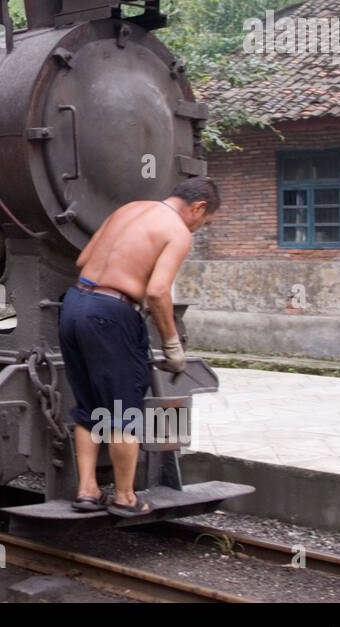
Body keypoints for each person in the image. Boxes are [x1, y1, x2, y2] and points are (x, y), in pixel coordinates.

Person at [58, 176, 220, 517]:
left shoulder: (128, 209)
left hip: (74, 305)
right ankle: (125, 497)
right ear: (198, 208)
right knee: (122, 411)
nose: (197, 230)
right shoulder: (177, 231)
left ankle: (87, 491)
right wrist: (173, 347)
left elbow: (83, 258)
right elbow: (159, 292)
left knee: (89, 406)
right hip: (112, 314)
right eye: (203, 223)